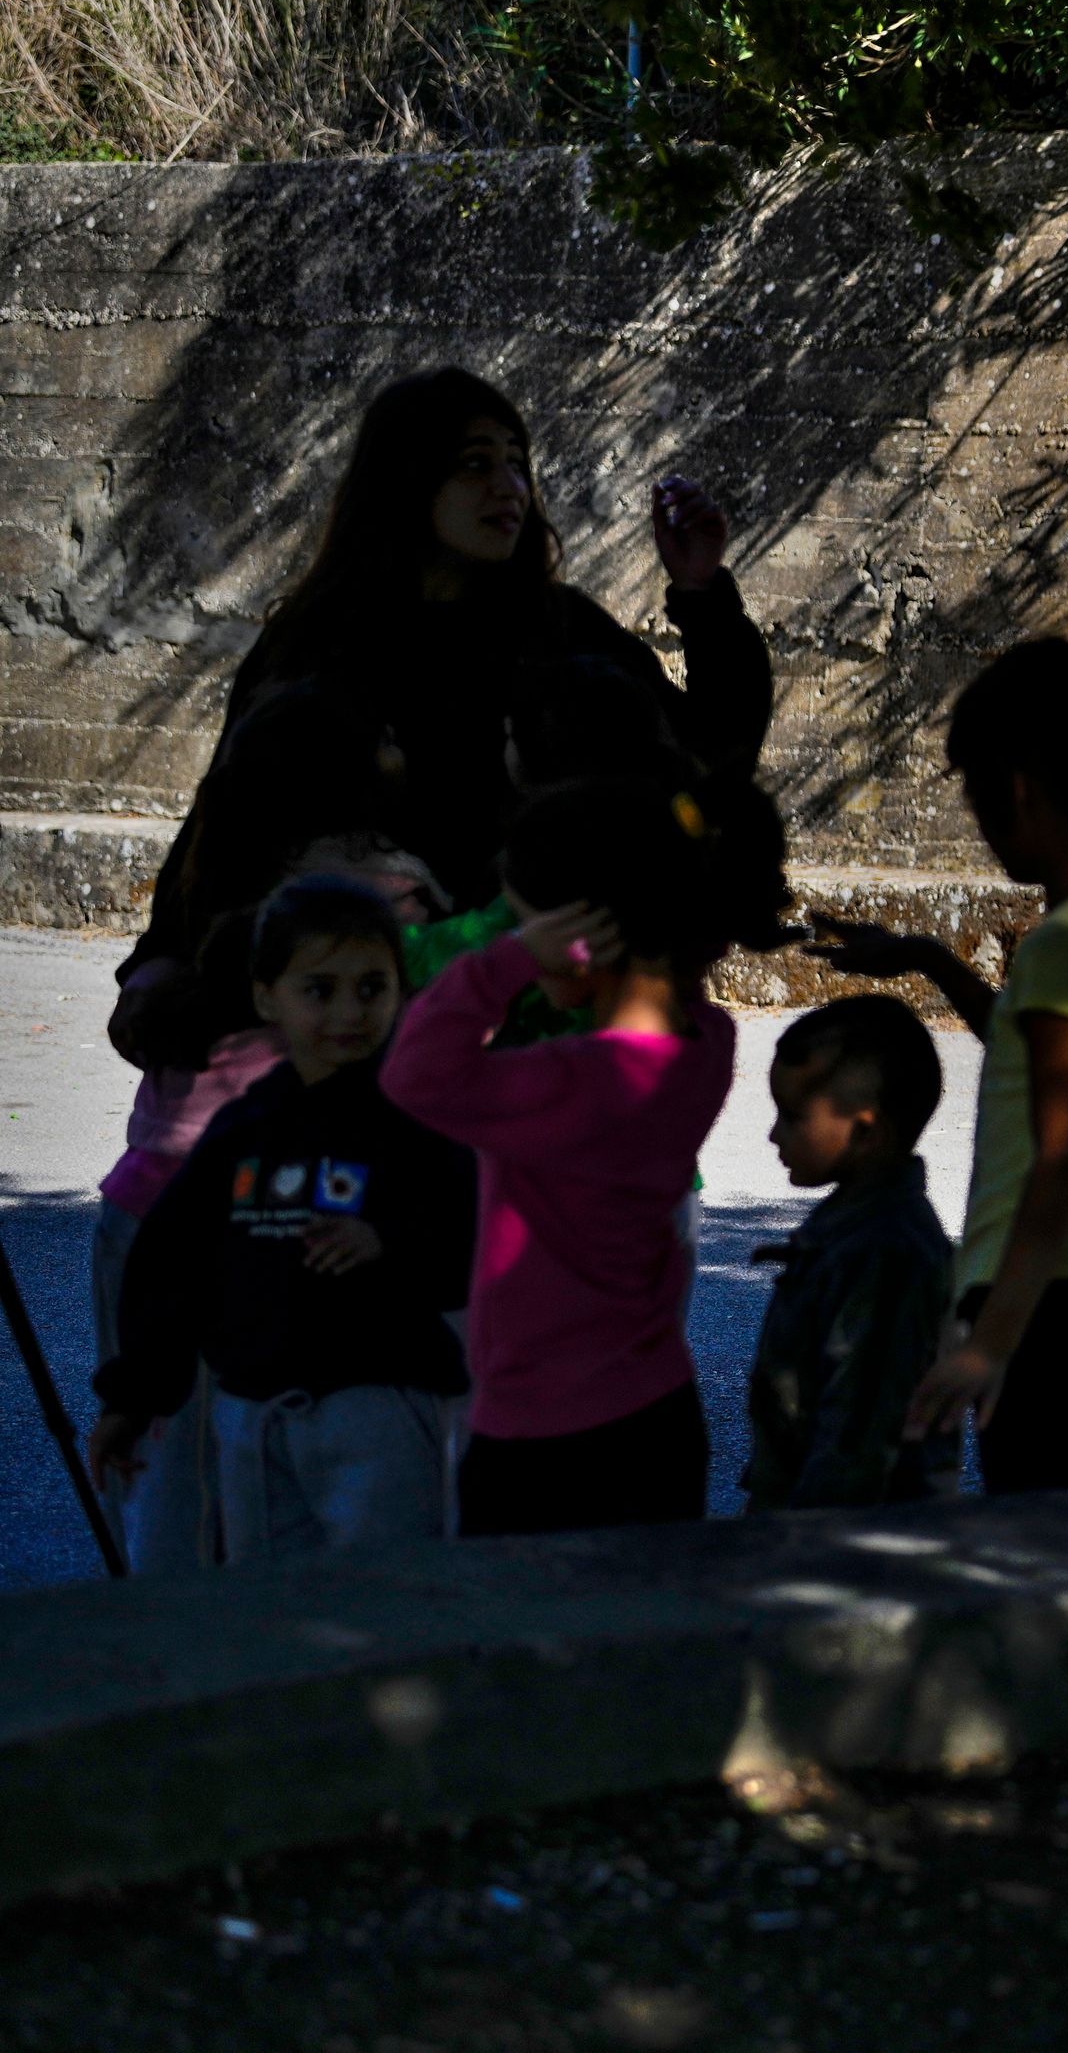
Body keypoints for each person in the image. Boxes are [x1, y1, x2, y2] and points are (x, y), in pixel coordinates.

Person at [165, 366, 774, 915]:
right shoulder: (319, 637)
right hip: (361, 1006)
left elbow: (709, 759)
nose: (509, 486)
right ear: (408, 479)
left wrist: (702, 594)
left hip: (529, 996)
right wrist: (157, 965)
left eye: (516, 463)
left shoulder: (560, 628)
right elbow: (228, 821)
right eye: (476, 463)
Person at [817, 640, 1068, 1493]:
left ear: (1016, 788)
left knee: (1049, 1574)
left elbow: (1062, 1158)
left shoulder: (1064, 946)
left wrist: (990, 1341)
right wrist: (927, 959)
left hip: (1062, 1307)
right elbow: (1031, 1051)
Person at [383, 772, 788, 1534]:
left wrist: (503, 961)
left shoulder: (570, 1086)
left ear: (583, 938)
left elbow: (415, 1075)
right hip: (655, 1411)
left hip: (542, 1435)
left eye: (535, 929)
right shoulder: (706, 1043)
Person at [87, 877, 476, 1562]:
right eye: (319, 989)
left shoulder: (422, 1121)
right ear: (267, 995)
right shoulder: (245, 1126)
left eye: (371, 987)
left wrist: (386, 1243)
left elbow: (469, 1239)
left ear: (401, 989)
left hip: (382, 1413)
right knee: (272, 1610)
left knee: (391, 1608)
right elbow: (173, 1264)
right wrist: (135, 1395)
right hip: (252, 1419)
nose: (348, 1012)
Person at [740, 997, 958, 1511]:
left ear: (864, 1130)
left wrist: (804, 1544)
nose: (773, 1134)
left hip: (848, 1538)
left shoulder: (888, 1250)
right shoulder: (850, 1217)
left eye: (791, 1117)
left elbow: (857, 1434)